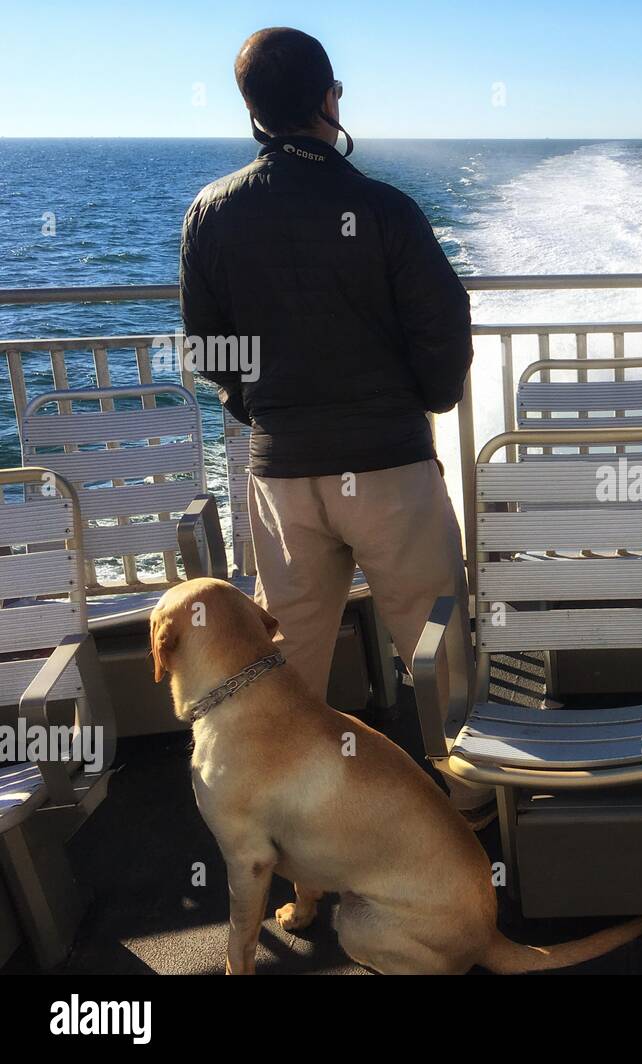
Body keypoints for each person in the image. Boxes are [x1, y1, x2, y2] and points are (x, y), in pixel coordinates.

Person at [179, 26, 494, 826]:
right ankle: (471, 814)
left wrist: (266, 411)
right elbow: (444, 328)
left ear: (252, 110)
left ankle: (295, 835)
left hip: (284, 476)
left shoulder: (211, 213)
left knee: (285, 668)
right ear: (329, 100)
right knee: (436, 644)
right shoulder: (383, 209)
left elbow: (209, 350)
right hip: (388, 465)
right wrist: (422, 400)